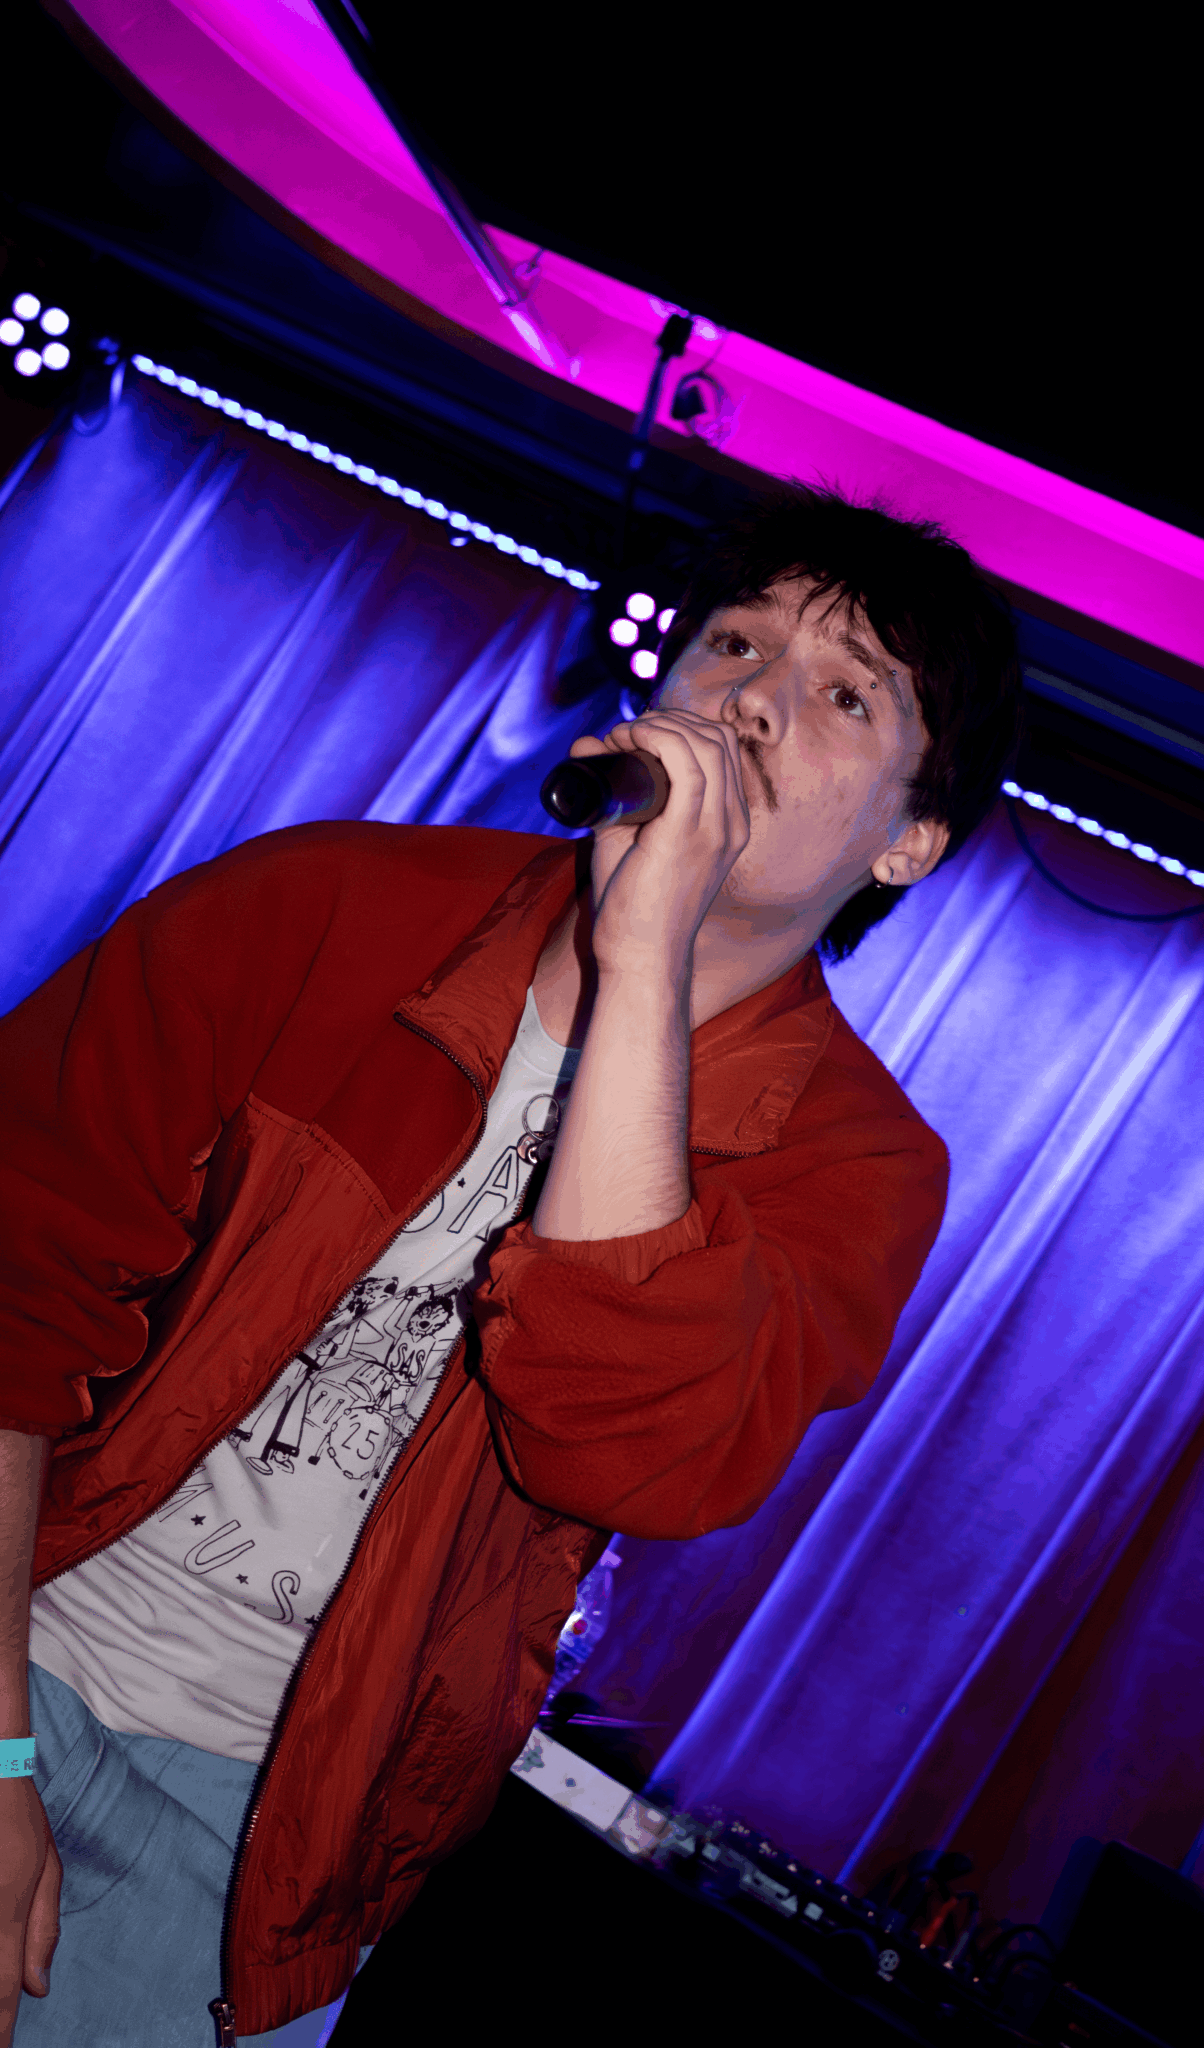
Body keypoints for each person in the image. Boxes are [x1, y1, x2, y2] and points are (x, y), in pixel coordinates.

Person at [0, 485, 1022, 2046]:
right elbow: (18, 1279)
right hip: (30, 1634)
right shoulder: (319, 904)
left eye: (844, 696)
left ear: (908, 841)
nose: (754, 697)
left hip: (267, 1829)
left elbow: (628, 1443)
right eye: (735, 644)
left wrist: (646, 954)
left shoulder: (861, 1167)